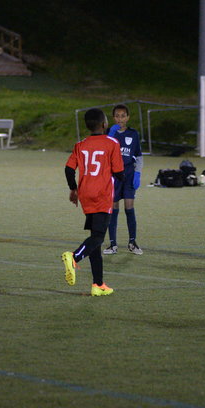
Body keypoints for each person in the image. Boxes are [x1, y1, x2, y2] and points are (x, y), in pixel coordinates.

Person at [61, 108, 124, 296]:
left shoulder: (80, 144)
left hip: (86, 194)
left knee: (95, 239)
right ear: (104, 124)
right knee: (98, 237)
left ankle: (98, 284)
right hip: (102, 194)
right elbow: (119, 173)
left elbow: (68, 169)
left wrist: (73, 189)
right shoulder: (112, 143)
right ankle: (74, 257)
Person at [103, 104, 144, 255]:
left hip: (129, 174)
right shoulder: (108, 133)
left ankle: (132, 242)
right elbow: (103, 151)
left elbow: (138, 155)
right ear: (113, 118)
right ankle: (113, 244)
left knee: (129, 207)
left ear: (128, 117)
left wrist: (137, 173)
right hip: (113, 176)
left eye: (123, 116)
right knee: (113, 208)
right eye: (117, 116)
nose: (120, 119)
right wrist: (110, 135)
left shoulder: (133, 134)